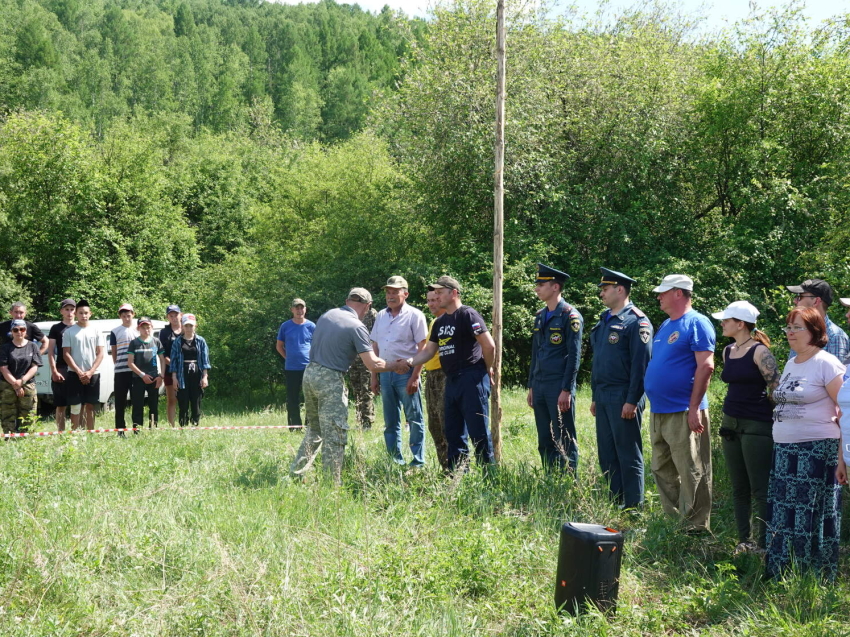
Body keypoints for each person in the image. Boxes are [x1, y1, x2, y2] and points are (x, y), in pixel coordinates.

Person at [290, 288, 405, 484]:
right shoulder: (357, 326)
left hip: (309, 374)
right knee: (335, 432)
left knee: (315, 430)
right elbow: (373, 364)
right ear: (368, 307)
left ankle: (296, 474)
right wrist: (396, 365)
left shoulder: (328, 315)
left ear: (347, 300)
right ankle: (331, 482)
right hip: (330, 378)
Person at [766, 306, 845, 580]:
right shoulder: (791, 363)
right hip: (785, 451)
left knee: (810, 516)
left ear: (815, 331)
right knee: (784, 514)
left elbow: (845, 409)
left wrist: (844, 456)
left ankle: (811, 578)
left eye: (797, 327)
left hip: (816, 452)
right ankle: (782, 573)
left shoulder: (826, 363)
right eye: (788, 327)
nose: (790, 332)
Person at [644, 274, 716, 533]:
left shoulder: (697, 323)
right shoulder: (665, 325)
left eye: (663, 292)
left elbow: (706, 366)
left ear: (678, 293)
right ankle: (674, 523)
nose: (658, 296)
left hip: (684, 410)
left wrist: (694, 408)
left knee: (691, 470)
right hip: (660, 411)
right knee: (661, 468)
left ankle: (695, 528)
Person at [403, 276, 496, 471]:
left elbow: (489, 345)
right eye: (434, 292)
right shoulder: (439, 322)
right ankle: (458, 476)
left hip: (472, 377)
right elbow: (428, 351)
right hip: (451, 380)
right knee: (453, 432)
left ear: (453, 293)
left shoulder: (467, 314)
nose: (436, 296)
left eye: (440, 292)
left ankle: (489, 475)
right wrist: (409, 362)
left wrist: (488, 368)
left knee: (478, 430)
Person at [711, 301, 779, 553]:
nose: (722, 324)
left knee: (760, 488)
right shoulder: (728, 351)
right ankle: (743, 541)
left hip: (757, 425)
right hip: (730, 422)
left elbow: (776, 389)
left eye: (726, 320)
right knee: (738, 487)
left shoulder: (761, 352)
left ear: (740, 324)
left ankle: (764, 545)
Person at [589, 268, 652, 509]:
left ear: (620, 289)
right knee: (607, 453)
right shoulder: (605, 320)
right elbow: (600, 362)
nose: (602, 293)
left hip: (624, 394)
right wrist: (595, 396)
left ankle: (634, 506)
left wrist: (633, 399)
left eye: (605, 289)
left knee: (628, 452)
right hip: (604, 395)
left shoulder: (637, 320)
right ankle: (615, 501)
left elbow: (641, 365)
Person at [526, 264, 583, 471]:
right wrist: (531, 385)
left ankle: (569, 483)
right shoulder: (540, 316)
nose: (537, 288)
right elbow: (536, 353)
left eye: (541, 284)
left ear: (555, 287)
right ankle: (551, 480)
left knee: (564, 438)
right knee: (545, 438)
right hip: (540, 385)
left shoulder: (570, 316)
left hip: (558, 386)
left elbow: (574, 355)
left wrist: (566, 389)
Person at [370, 276, 429, 466]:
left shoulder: (415, 315)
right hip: (385, 373)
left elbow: (423, 348)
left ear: (406, 293)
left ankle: (417, 461)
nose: (390, 296)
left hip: (407, 373)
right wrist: (374, 376)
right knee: (390, 420)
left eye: (395, 291)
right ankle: (395, 461)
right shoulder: (380, 315)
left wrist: (415, 376)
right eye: (388, 292)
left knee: (414, 418)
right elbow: (375, 346)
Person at [62, 299, 106, 430]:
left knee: (90, 405)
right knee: (75, 406)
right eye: (80, 313)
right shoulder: (69, 332)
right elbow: (66, 354)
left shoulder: (97, 331)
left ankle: (90, 432)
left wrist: (90, 371)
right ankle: (75, 433)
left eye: (86, 313)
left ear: (90, 313)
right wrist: (79, 372)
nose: (83, 315)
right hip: (74, 374)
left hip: (93, 374)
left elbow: (100, 353)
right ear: (76, 314)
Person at [786, 279, 850, 364]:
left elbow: (838, 375)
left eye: (800, 297)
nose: (795, 301)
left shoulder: (835, 336)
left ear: (816, 301)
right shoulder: (798, 331)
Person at [276, 298, 316, 431]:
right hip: (291, 368)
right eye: (296, 308)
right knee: (293, 398)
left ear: (305, 309)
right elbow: (279, 346)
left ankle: (310, 426)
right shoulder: (285, 326)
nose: (299, 310)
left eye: (302, 308)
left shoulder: (311, 326)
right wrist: (288, 358)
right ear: (292, 310)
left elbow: (317, 346)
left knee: (310, 398)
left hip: (309, 368)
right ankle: (294, 427)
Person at [0, 319, 43, 433]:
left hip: (28, 384)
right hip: (8, 385)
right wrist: (16, 384)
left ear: (26, 331)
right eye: (16, 330)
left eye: (22, 329)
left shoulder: (33, 346)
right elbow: (3, 368)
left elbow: (35, 366)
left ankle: (26, 438)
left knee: (28, 413)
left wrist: (22, 381)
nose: (19, 332)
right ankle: (9, 438)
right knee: (7, 413)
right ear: (11, 331)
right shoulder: (5, 347)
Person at [423, 289, 450, 470]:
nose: (432, 304)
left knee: (447, 424)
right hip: (431, 376)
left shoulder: (453, 320)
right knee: (434, 426)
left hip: (445, 375)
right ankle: (445, 469)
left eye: (435, 300)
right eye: (429, 301)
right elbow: (427, 352)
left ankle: (457, 468)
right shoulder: (435, 322)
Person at [170, 314, 210, 427]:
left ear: (195, 326)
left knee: (196, 403)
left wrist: (205, 377)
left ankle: (195, 426)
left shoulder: (201, 341)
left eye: (191, 326)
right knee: (183, 403)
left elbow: (205, 360)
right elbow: (173, 362)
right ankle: (183, 426)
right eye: (186, 325)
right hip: (182, 375)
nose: (188, 328)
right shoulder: (177, 342)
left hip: (196, 375)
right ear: (182, 326)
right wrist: (174, 378)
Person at [127, 317, 166, 430]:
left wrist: (161, 376)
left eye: (148, 327)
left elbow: (162, 360)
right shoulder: (134, 343)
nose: (146, 330)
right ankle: (137, 430)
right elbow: (130, 363)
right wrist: (142, 375)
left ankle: (153, 428)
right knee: (138, 405)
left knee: (153, 406)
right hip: (138, 378)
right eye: (143, 327)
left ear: (151, 327)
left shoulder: (156, 341)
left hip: (154, 378)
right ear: (138, 328)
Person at [47, 298, 76, 431]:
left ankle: (78, 432)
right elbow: (51, 350)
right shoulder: (56, 328)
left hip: (78, 369)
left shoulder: (79, 326)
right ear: (61, 311)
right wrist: (54, 371)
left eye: (72, 309)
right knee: (61, 404)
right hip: (62, 368)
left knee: (77, 404)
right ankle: (61, 433)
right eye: (67, 309)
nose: (69, 312)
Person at [348, 305, 378, 429]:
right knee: (356, 390)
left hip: (367, 358)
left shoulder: (373, 314)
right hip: (354, 358)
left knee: (366, 390)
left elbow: (376, 336)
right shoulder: (352, 315)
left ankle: (367, 422)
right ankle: (360, 419)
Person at [110, 303, 138, 434]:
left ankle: (136, 428)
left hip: (136, 371)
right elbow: (114, 352)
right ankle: (120, 430)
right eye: (124, 316)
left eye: (128, 315)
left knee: (136, 401)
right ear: (120, 316)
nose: (127, 318)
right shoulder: (115, 331)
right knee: (120, 402)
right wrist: (118, 364)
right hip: (121, 371)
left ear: (133, 315)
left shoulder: (138, 330)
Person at [159, 305, 182, 426]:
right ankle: (172, 426)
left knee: (184, 399)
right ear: (168, 317)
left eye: (176, 315)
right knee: (172, 399)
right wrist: (174, 366)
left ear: (181, 315)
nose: (174, 318)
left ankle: (185, 424)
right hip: (169, 369)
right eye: (171, 316)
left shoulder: (187, 329)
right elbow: (162, 354)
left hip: (186, 370)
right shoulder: (164, 332)